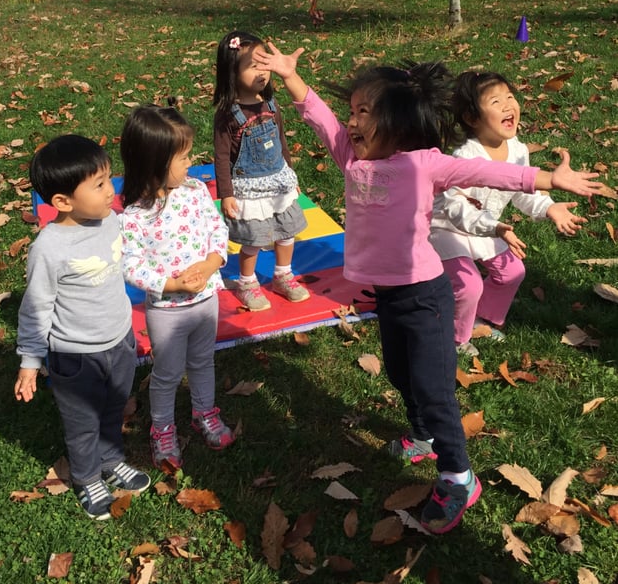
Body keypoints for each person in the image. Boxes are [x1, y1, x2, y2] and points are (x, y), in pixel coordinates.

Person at [256, 42, 603, 534]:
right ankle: (420, 436)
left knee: (435, 390)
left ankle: (459, 477)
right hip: (390, 296)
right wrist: (292, 78)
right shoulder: (352, 161)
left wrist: (548, 179)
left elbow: (487, 171)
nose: (351, 122)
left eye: (364, 113)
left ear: (397, 122)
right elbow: (320, 120)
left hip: (427, 296)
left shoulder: (422, 164)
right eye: (352, 111)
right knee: (400, 373)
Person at [14, 134, 150, 520]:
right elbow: (36, 307)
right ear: (62, 202)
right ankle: (88, 476)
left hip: (120, 340)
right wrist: (29, 361)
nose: (111, 191)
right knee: (82, 421)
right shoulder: (49, 249)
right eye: (99, 184)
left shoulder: (109, 220)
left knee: (114, 406)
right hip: (75, 357)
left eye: (109, 179)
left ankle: (110, 459)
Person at [430, 71, 588, 356]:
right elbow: (453, 206)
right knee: (467, 284)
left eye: (510, 97)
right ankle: (454, 338)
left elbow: (522, 192)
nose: (507, 106)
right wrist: (494, 227)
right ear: (472, 118)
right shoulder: (464, 157)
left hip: (489, 227)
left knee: (512, 272)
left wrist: (549, 207)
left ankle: (480, 318)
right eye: (495, 101)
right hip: (446, 230)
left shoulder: (517, 149)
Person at [120, 104, 235, 471]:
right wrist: (170, 284)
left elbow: (218, 230)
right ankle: (163, 429)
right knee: (167, 373)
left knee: (203, 361)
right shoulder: (135, 215)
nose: (191, 163)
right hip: (167, 311)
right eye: (183, 157)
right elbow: (131, 265)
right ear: (153, 162)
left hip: (205, 301)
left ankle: (204, 412)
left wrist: (210, 263)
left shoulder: (196, 191)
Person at [213, 29, 309, 312]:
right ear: (232, 72)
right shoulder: (228, 114)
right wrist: (226, 194)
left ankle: (283, 275)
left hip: (279, 184)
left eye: (264, 64)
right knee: (253, 241)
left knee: (287, 232)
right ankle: (247, 282)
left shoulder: (270, 104)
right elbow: (220, 157)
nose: (262, 72)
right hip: (249, 189)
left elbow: (281, 142)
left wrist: (290, 177)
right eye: (253, 66)